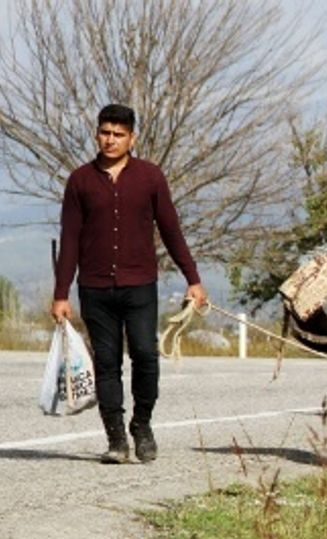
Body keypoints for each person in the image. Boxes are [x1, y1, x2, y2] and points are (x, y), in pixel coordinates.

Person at [51, 103, 206, 464]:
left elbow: (171, 230)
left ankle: (142, 424)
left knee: (145, 356)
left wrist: (193, 279)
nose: (111, 140)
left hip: (140, 285)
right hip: (95, 287)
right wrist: (61, 293)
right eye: (105, 132)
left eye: (119, 134)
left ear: (132, 138)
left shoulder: (150, 177)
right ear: (96, 134)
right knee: (106, 363)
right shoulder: (80, 180)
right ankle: (116, 439)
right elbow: (70, 238)